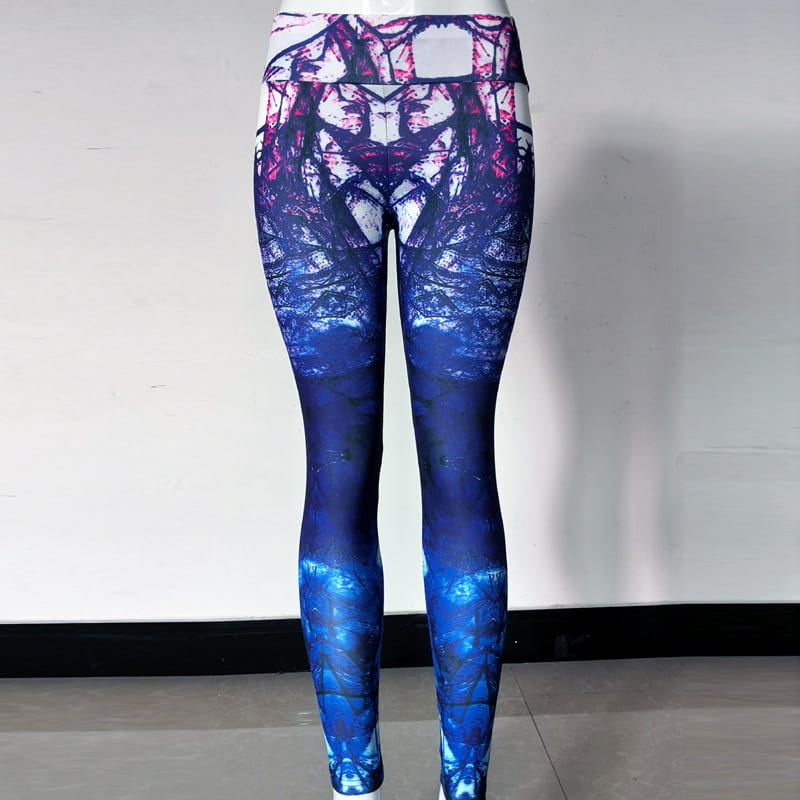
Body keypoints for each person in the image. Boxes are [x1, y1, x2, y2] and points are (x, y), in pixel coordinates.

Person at [252, 0, 534, 797]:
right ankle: (355, 786)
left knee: (459, 465)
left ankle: (463, 787)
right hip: (309, 89)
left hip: (474, 86)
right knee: (339, 470)